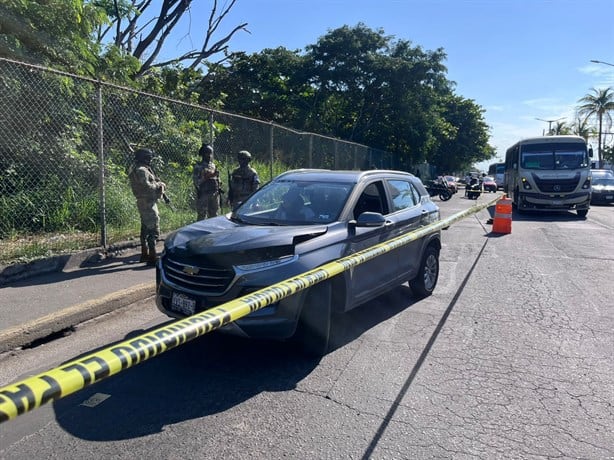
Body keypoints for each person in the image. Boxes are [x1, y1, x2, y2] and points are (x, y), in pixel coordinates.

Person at [128, 148, 166, 266]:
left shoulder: (137, 169)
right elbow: (147, 186)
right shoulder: (141, 170)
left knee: (145, 227)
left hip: (145, 201)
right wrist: (159, 185)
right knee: (153, 228)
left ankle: (145, 253)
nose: (150, 160)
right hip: (147, 202)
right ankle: (152, 256)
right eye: (149, 158)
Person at [193, 144, 221, 220]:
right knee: (202, 216)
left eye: (210, 153)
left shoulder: (213, 165)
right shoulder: (198, 166)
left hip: (214, 193)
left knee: (214, 215)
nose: (209, 156)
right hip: (203, 194)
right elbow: (196, 182)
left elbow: (217, 179)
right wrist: (206, 177)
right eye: (207, 153)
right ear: (202, 154)